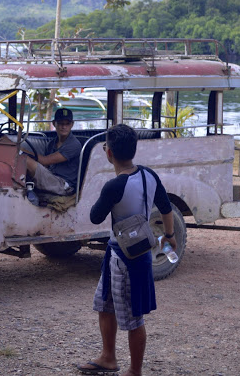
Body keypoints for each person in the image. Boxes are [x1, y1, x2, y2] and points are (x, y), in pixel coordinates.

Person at [77, 124, 176, 376]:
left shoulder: (114, 186)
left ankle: (134, 370)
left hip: (123, 257)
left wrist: (104, 193)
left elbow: (95, 216)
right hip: (134, 253)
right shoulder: (149, 175)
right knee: (105, 304)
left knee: (133, 318)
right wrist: (170, 236)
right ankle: (108, 357)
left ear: (108, 153)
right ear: (134, 149)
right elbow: (166, 208)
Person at [24, 107, 81, 196]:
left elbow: (45, 160)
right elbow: (45, 165)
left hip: (63, 185)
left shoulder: (74, 145)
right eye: (61, 123)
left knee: (26, 160)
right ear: (54, 123)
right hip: (52, 177)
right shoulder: (52, 143)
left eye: (67, 124)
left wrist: (20, 150)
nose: (64, 127)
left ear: (72, 124)